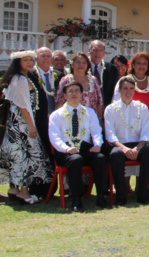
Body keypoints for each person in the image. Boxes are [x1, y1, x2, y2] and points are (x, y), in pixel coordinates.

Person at [0, 50, 53, 205]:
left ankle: (14, 190)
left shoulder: (18, 78)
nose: (30, 63)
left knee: (18, 158)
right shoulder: (20, 80)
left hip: (17, 125)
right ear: (18, 63)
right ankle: (23, 192)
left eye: (31, 60)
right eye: (25, 60)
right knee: (26, 158)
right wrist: (31, 126)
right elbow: (23, 106)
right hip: (21, 126)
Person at [49, 80, 109, 211]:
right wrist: (66, 149)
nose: (74, 94)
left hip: (84, 147)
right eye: (70, 91)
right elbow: (54, 137)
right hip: (64, 150)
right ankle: (76, 198)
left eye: (77, 91)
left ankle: (101, 196)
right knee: (76, 160)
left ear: (82, 94)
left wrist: (98, 144)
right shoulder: (56, 115)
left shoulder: (89, 112)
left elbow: (96, 131)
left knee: (100, 158)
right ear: (64, 95)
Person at [104, 76, 149, 205]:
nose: (128, 91)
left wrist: (137, 148)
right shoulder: (110, 109)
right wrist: (124, 149)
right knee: (115, 155)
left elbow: (145, 133)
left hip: (137, 144)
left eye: (131, 88)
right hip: (119, 145)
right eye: (125, 88)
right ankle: (121, 196)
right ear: (119, 90)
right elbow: (110, 134)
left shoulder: (142, 108)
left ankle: (143, 194)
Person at [56, 52, 103, 118]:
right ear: (72, 64)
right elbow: (59, 101)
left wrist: (100, 119)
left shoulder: (93, 80)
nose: (81, 65)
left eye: (84, 63)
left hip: (91, 119)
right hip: (70, 119)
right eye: (78, 62)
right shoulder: (66, 80)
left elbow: (99, 102)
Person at [88, 40, 119, 107]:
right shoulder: (83, 67)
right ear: (89, 50)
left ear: (104, 53)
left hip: (106, 108)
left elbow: (114, 91)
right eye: (95, 50)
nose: (97, 53)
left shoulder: (112, 69)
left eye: (100, 50)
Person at [33, 46, 62, 114]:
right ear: (36, 58)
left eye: (48, 56)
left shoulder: (59, 75)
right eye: (43, 56)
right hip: (37, 115)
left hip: (55, 116)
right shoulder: (31, 75)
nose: (46, 58)